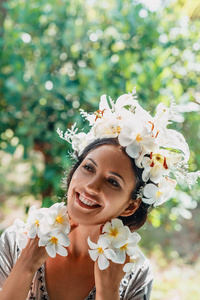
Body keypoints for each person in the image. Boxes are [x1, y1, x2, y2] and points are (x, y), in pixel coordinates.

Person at [0, 91, 199, 300]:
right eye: (88, 168)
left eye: (113, 182)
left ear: (131, 206)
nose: (91, 187)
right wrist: (25, 266)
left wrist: (108, 290)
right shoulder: (17, 243)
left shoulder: (134, 274)